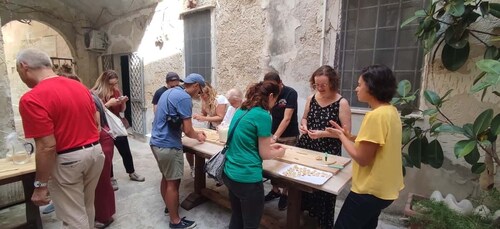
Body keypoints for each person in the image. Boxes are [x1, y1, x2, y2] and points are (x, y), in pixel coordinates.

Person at [17, 48, 105, 228]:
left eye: (18, 71)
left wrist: (40, 185)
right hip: (95, 153)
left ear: (24, 67)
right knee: (86, 206)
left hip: (68, 161)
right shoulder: (79, 86)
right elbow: (95, 124)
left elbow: (46, 146)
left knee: (73, 217)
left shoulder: (32, 98)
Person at [328, 65, 404, 229]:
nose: (356, 88)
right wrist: (350, 137)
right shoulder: (390, 111)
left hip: (369, 191)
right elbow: (376, 143)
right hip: (385, 189)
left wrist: (341, 137)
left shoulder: (375, 116)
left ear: (371, 87)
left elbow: (362, 158)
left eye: (360, 84)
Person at [223, 81, 287, 229]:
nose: (275, 103)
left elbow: (246, 140)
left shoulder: (241, 110)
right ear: (271, 96)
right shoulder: (263, 115)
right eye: (276, 99)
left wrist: (270, 146)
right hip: (247, 179)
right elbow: (264, 154)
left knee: (237, 218)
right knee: (251, 223)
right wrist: (280, 152)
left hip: (230, 173)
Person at [295, 65, 352, 229]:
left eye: (323, 85)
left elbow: (346, 133)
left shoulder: (342, 103)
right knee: (303, 183)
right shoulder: (311, 98)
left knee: (323, 189)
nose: (319, 88)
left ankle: (322, 222)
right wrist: (303, 126)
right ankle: (303, 217)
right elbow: (304, 118)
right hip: (307, 146)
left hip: (328, 150)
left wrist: (321, 134)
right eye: (316, 84)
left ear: (332, 83)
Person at [150, 73, 207, 229]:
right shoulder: (184, 98)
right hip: (168, 145)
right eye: (200, 91)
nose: (199, 95)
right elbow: (188, 130)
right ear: (196, 85)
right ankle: (175, 221)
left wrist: (193, 132)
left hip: (156, 142)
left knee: (166, 177)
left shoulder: (169, 91)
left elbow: (175, 121)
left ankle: (170, 207)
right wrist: (198, 136)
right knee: (173, 183)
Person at [62, 73, 116, 228]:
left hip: (101, 141)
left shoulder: (89, 97)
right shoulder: (88, 95)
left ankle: (104, 217)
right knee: (102, 181)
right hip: (103, 141)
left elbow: (96, 127)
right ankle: (105, 214)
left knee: (101, 182)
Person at [92, 70, 145, 191]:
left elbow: (121, 110)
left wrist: (123, 103)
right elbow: (93, 112)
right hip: (105, 128)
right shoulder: (95, 94)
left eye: (116, 83)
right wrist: (108, 104)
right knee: (108, 155)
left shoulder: (116, 91)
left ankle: (132, 172)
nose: (114, 86)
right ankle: (110, 178)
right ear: (104, 83)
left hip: (116, 125)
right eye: (111, 84)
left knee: (125, 151)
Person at [262, 72, 299, 210]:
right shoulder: (270, 93)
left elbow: (287, 118)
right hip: (273, 132)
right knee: (273, 164)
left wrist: (275, 137)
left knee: (286, 166)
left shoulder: (290, 93)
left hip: (289, 135)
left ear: (280, 82)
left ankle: (285, 193)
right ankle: (275, 190)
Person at [191, 82, 228, 176]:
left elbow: (221, 117)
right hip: (212, 126)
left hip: (223, 127)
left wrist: (204, 118)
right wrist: (198, 116)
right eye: (200, 94)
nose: (202, 97)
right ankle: (213, 168)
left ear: (209, 92)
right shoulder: (204, 100)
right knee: (210, 148)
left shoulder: (220, 99)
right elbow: (204, 114)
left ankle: (222, 171)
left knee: (221, 149)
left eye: (203, 94)